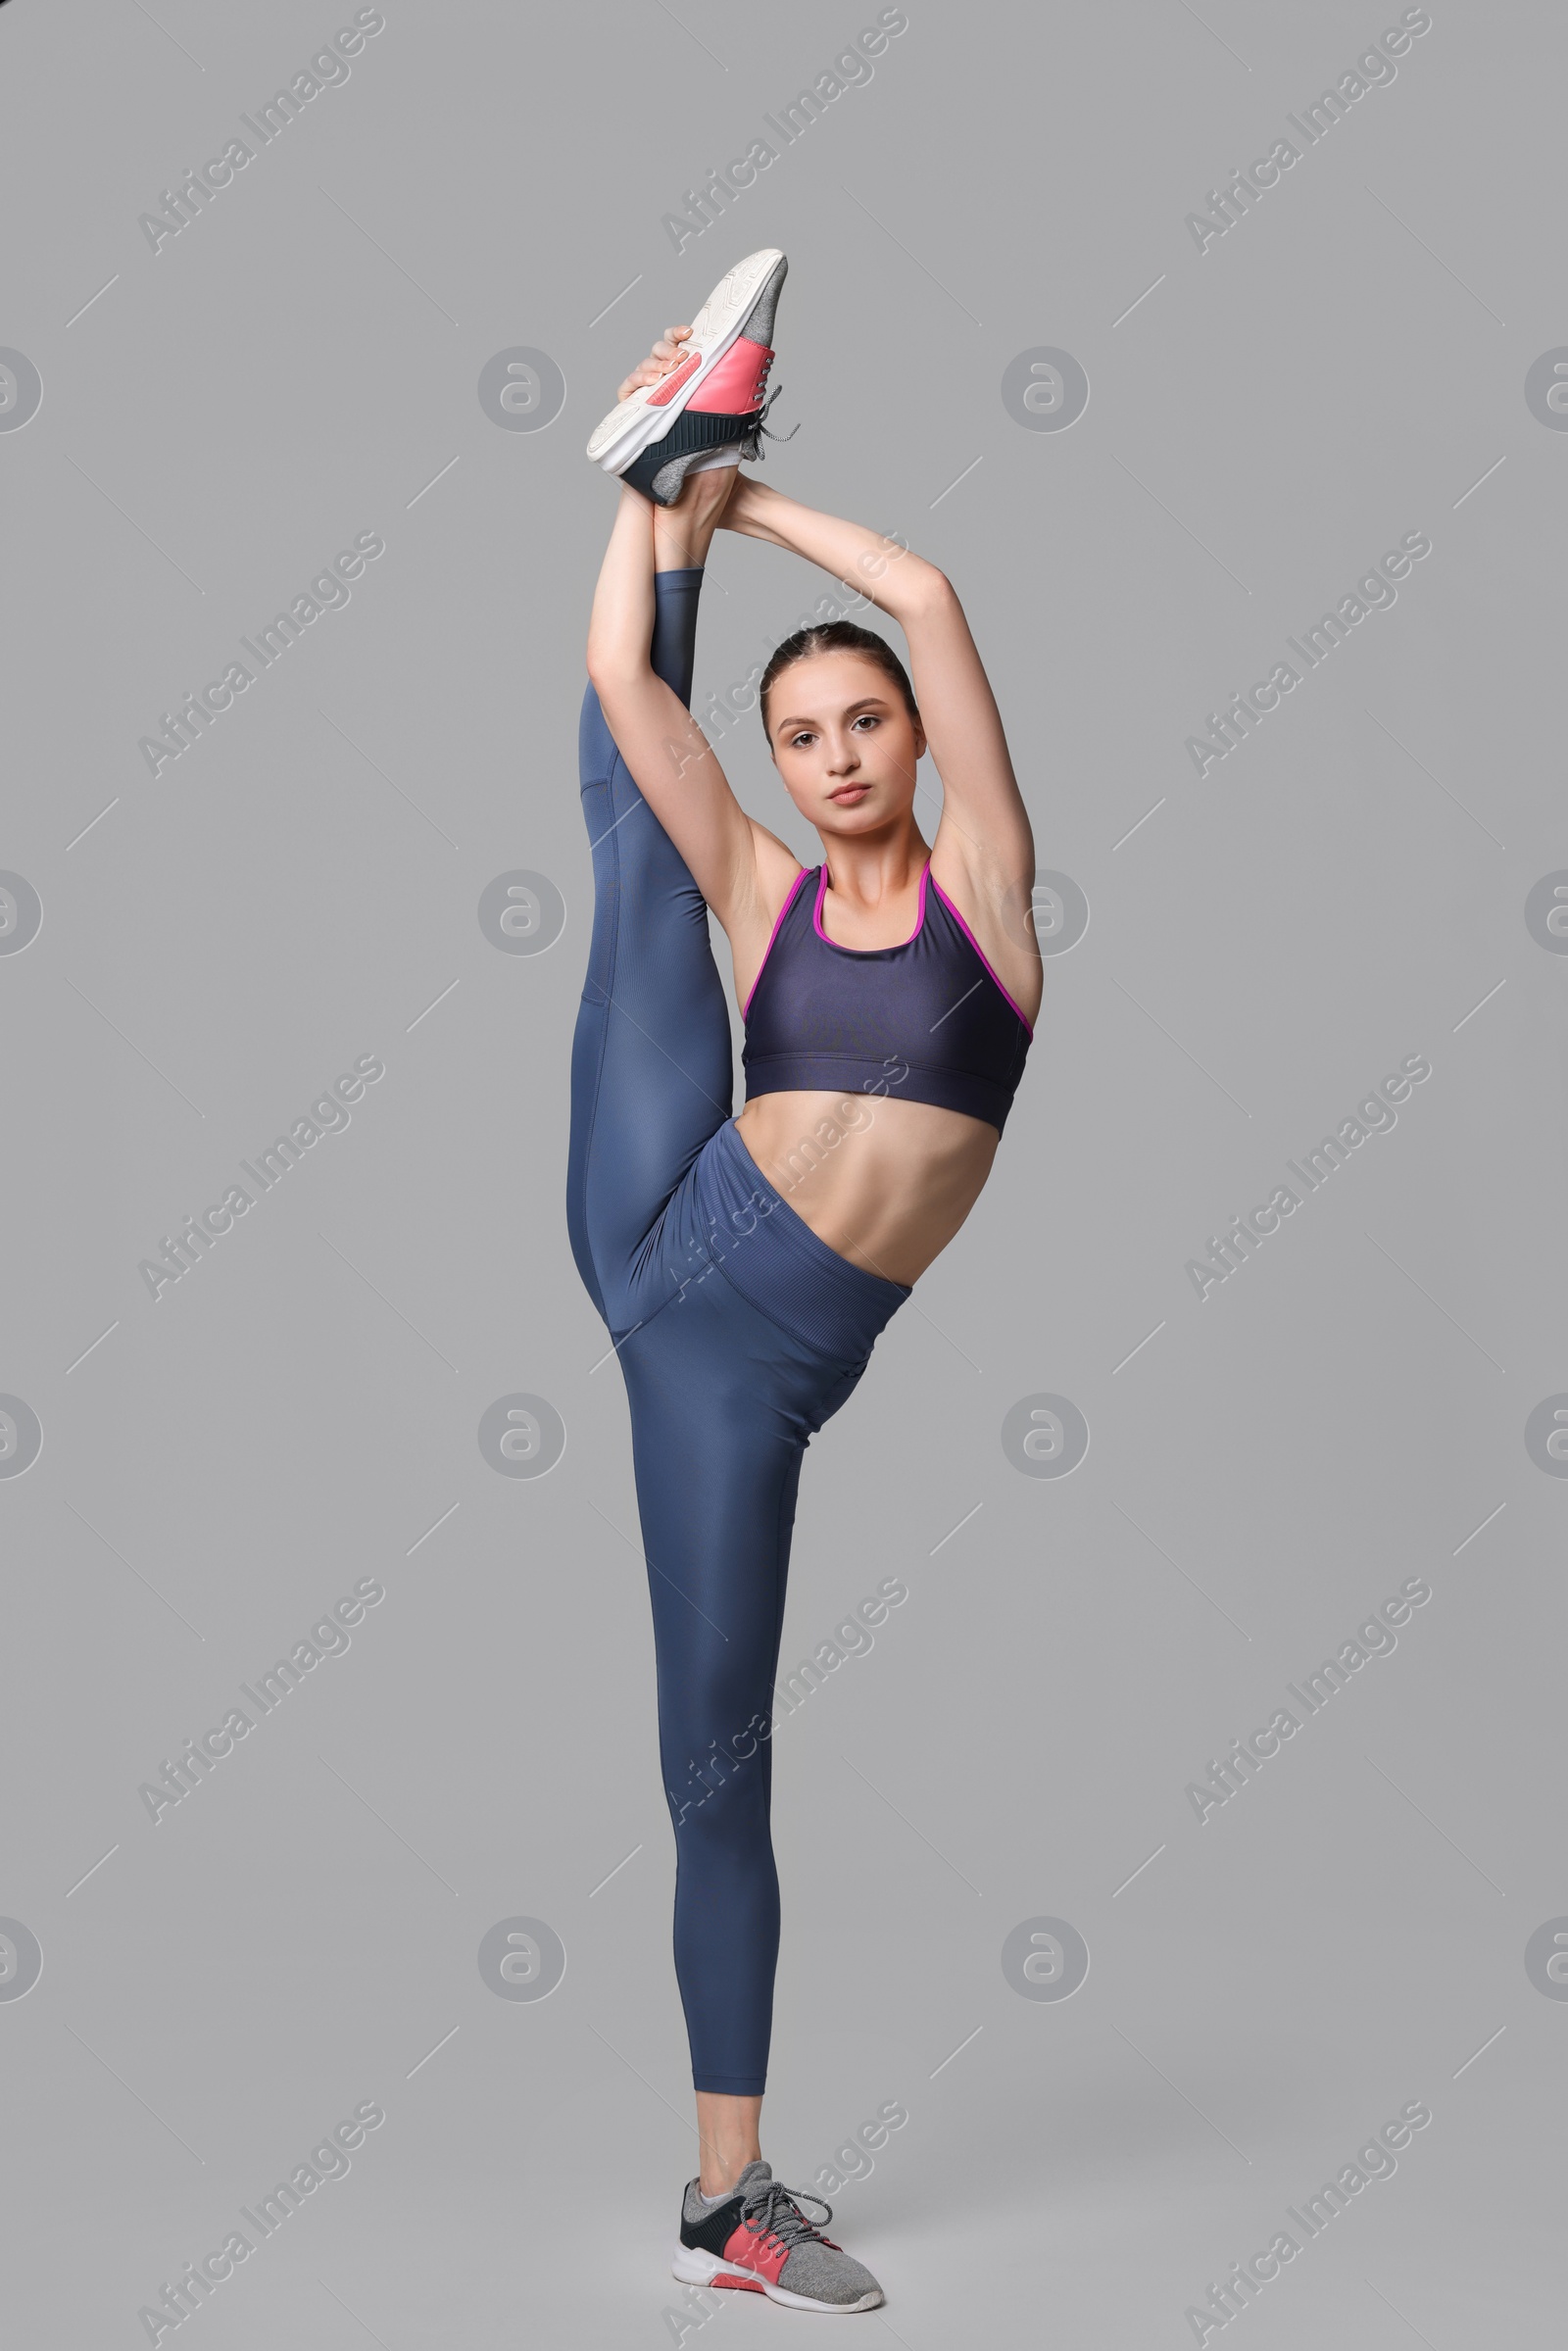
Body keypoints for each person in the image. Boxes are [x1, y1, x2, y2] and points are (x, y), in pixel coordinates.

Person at [567, 249, 1041, 2312]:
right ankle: (723, 2196)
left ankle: (668, 452)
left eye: (861, 725)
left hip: (759, 1363)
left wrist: (736, 497)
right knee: (623, 820)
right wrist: (650, 504)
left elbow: (926, 599)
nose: (838, 748)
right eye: (803, 729)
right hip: (672, 1257)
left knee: (718, 1755)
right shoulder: (761, 890)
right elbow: (630, 706)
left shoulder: (986, 906)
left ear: (910, 750)